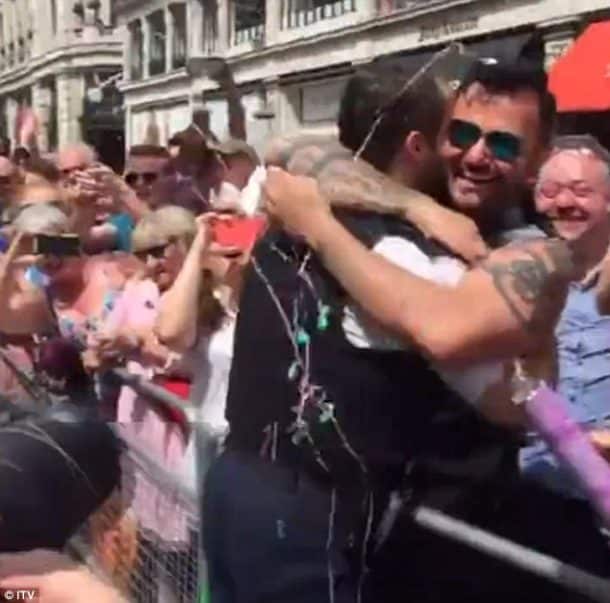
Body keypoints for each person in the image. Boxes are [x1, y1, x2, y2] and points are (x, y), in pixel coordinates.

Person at [261, 59, 610, 602]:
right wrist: (417, 205)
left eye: (503, 143)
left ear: (537, 157)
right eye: (463, 134)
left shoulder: (535, 251)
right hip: (365, 529)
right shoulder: (411, 200)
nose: (476, 155)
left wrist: (320, 227)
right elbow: (287, 151)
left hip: (464, 533)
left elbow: (448, 334)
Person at [521, 135, 610, 490]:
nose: (564, 202)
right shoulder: (516, 266)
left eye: (581, 191)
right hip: (531, 489)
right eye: (550, 191)